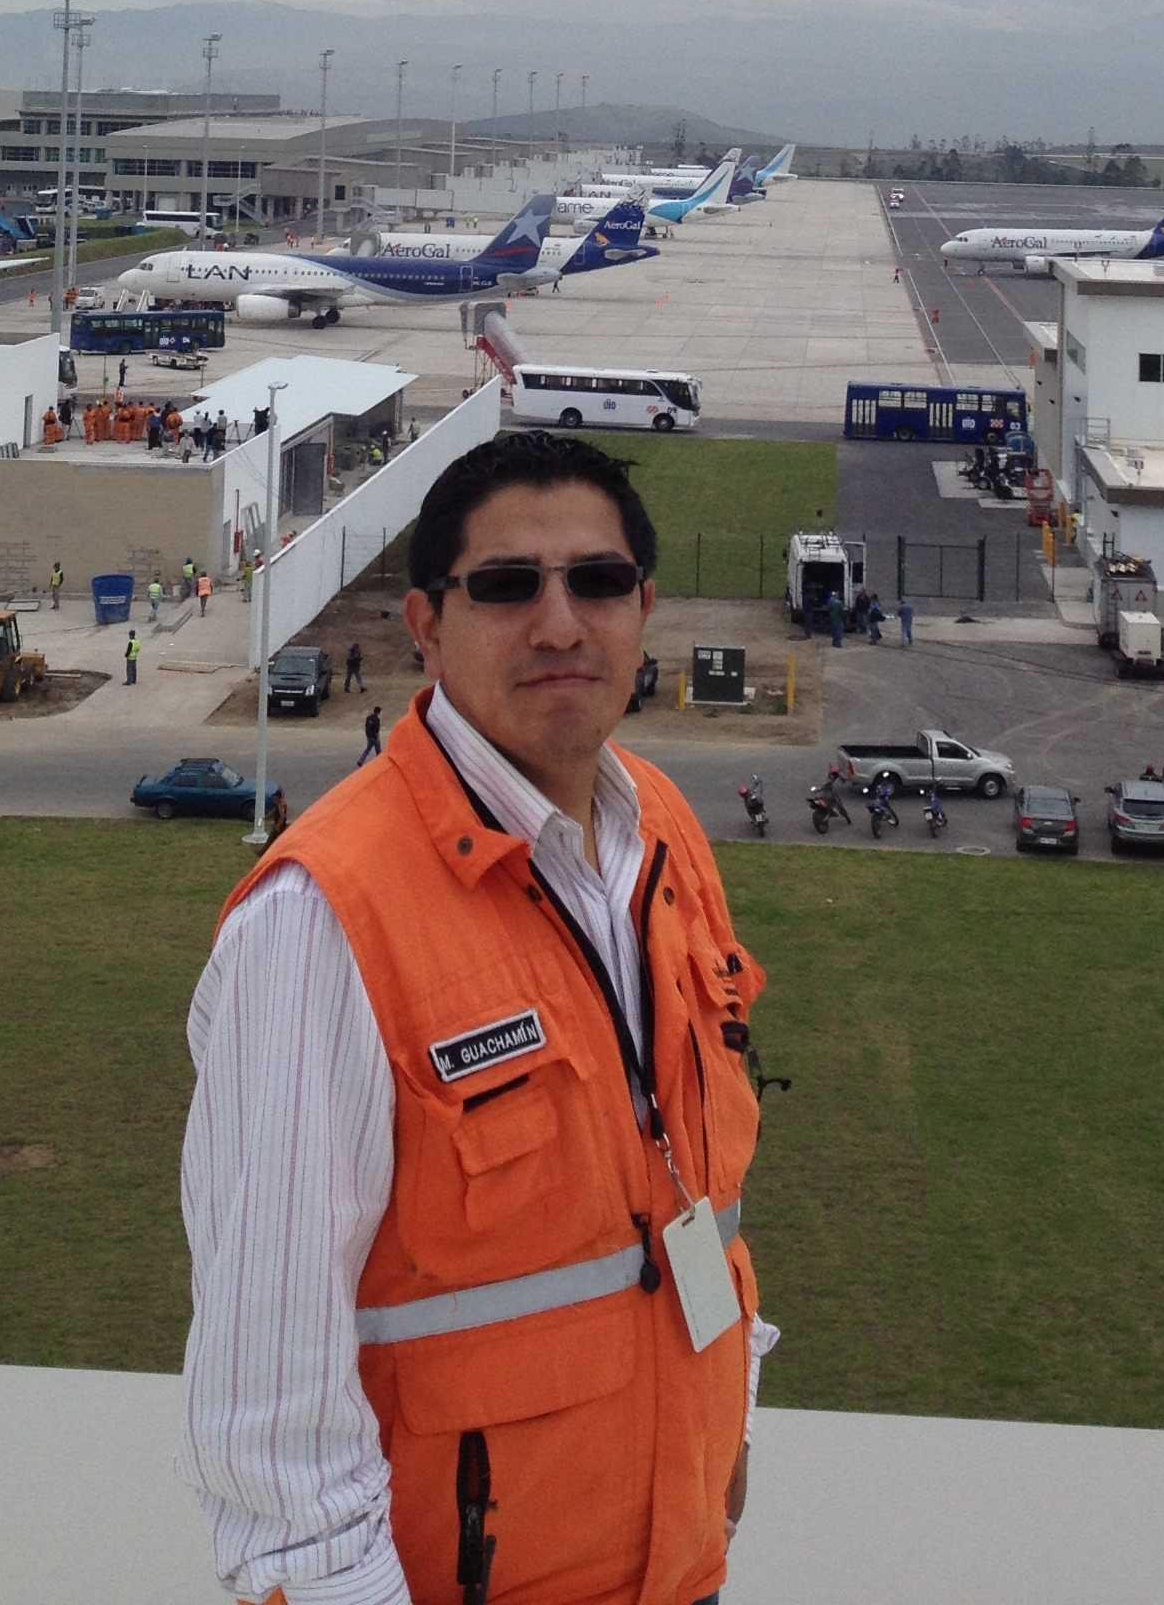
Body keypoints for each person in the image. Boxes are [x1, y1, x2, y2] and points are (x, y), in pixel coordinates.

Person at [181, 428, 768, 1605]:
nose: (560, 624)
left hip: (680, 1563)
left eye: (597, 582)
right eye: (507, 587)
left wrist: (730, 1410)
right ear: (425, 626)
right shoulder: (324, 919)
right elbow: (270, 1394)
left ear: (643, 607)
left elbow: (686, 1181)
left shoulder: (661, 832)